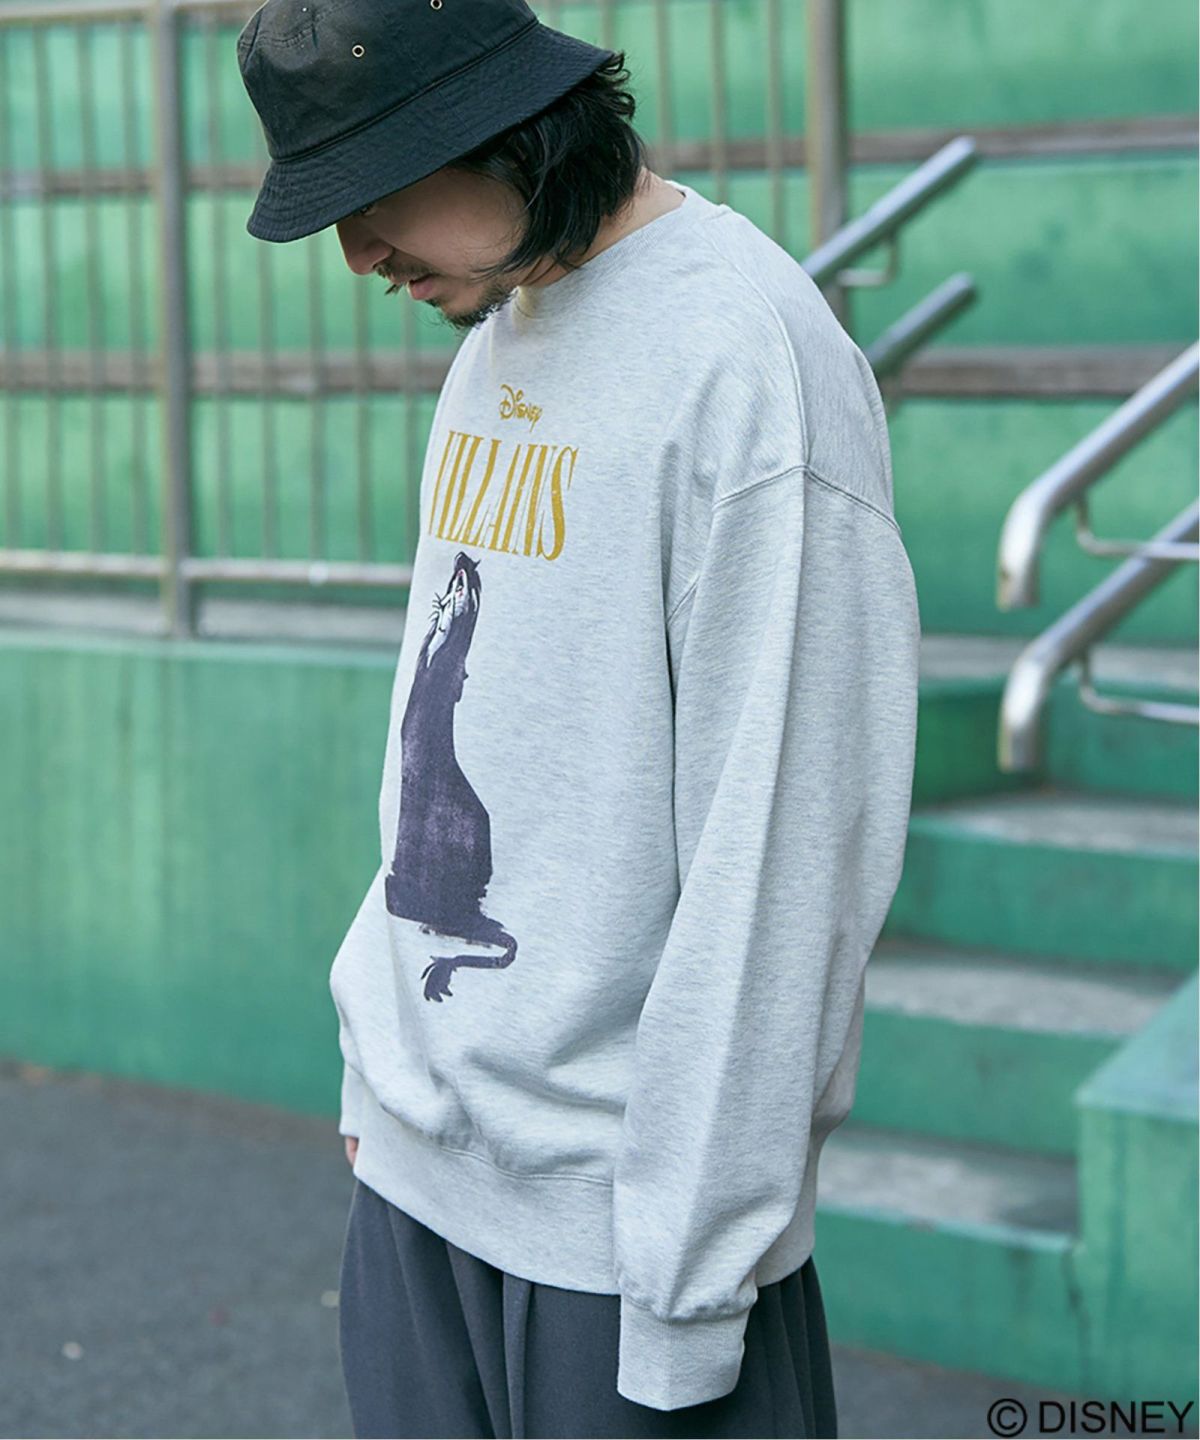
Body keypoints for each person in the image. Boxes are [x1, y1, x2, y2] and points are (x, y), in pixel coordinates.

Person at [237, 2, 920, 1436]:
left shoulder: (746, 364)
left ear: (502, 132)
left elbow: (783, 867)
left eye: (372, 195)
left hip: (620, 1246)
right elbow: (450, 719)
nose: (357, 254)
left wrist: (687, 1277)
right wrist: (380, 1072)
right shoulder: (506, 325)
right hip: (422, 1178)